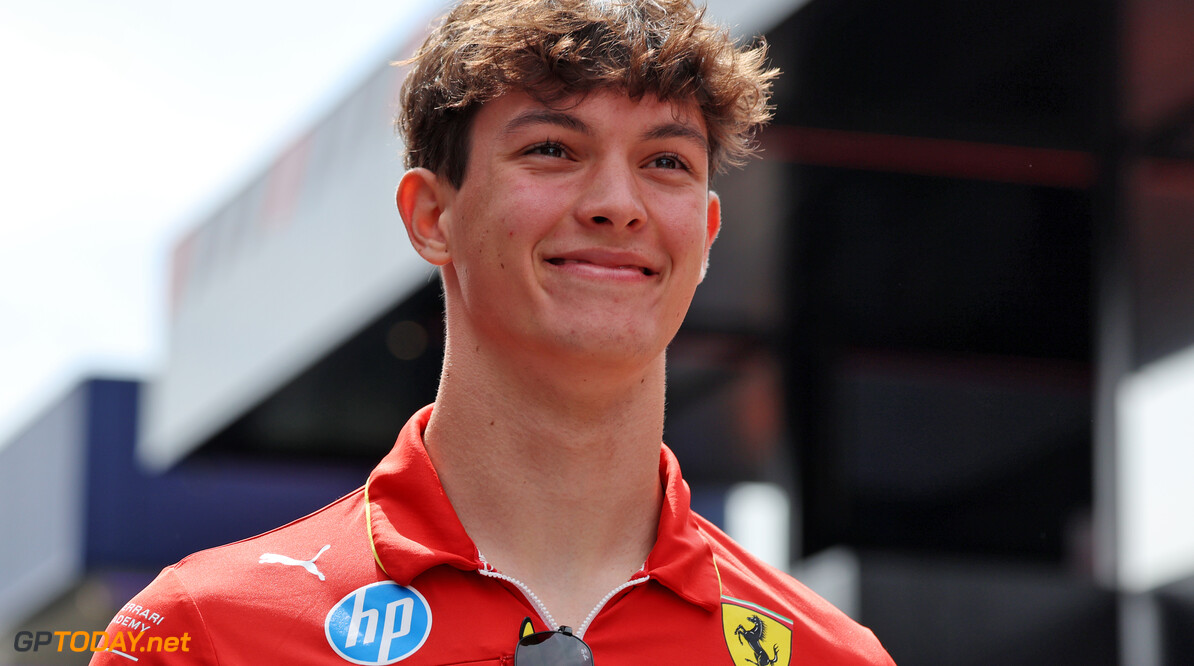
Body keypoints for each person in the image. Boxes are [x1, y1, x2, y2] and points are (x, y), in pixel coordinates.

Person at [92, 0, 895, 664]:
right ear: (432, 216)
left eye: (666, 163)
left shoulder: (837, 657)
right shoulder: (199, 634)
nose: (619, 203)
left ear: (707, 235)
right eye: (553, 149)